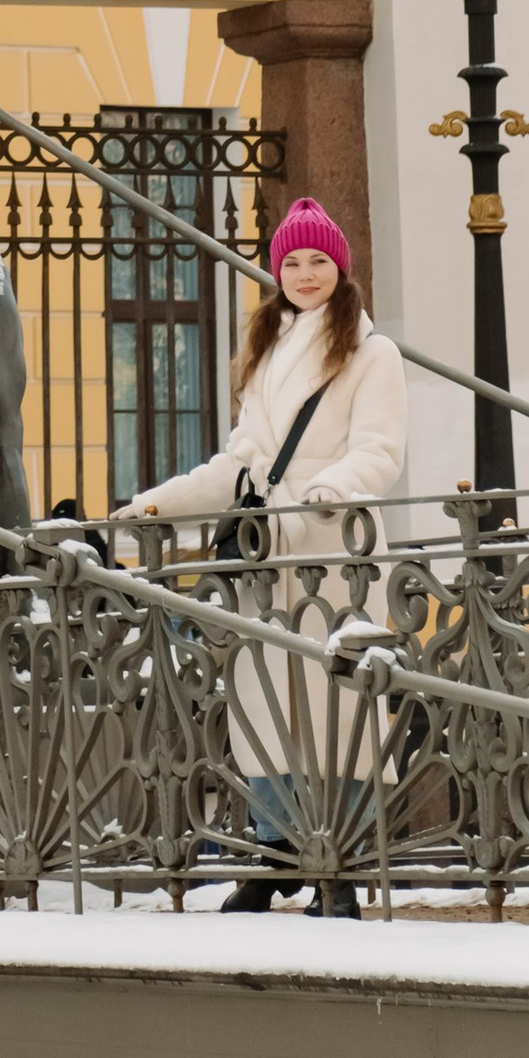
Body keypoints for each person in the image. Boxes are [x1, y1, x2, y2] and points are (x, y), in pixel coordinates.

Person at [122, 199, 405, 915]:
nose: (305, 273)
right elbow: (241, 461)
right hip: (266, 557)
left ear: (340, 269)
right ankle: (276, 848)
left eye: (318, 260)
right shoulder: (267, 351)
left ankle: (338, 862)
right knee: (264, 703)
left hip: (333, 553)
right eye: (291, 262)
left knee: (336, 702)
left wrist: (328, 488)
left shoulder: (373, 353)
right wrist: (159, 501)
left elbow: (378, 450)